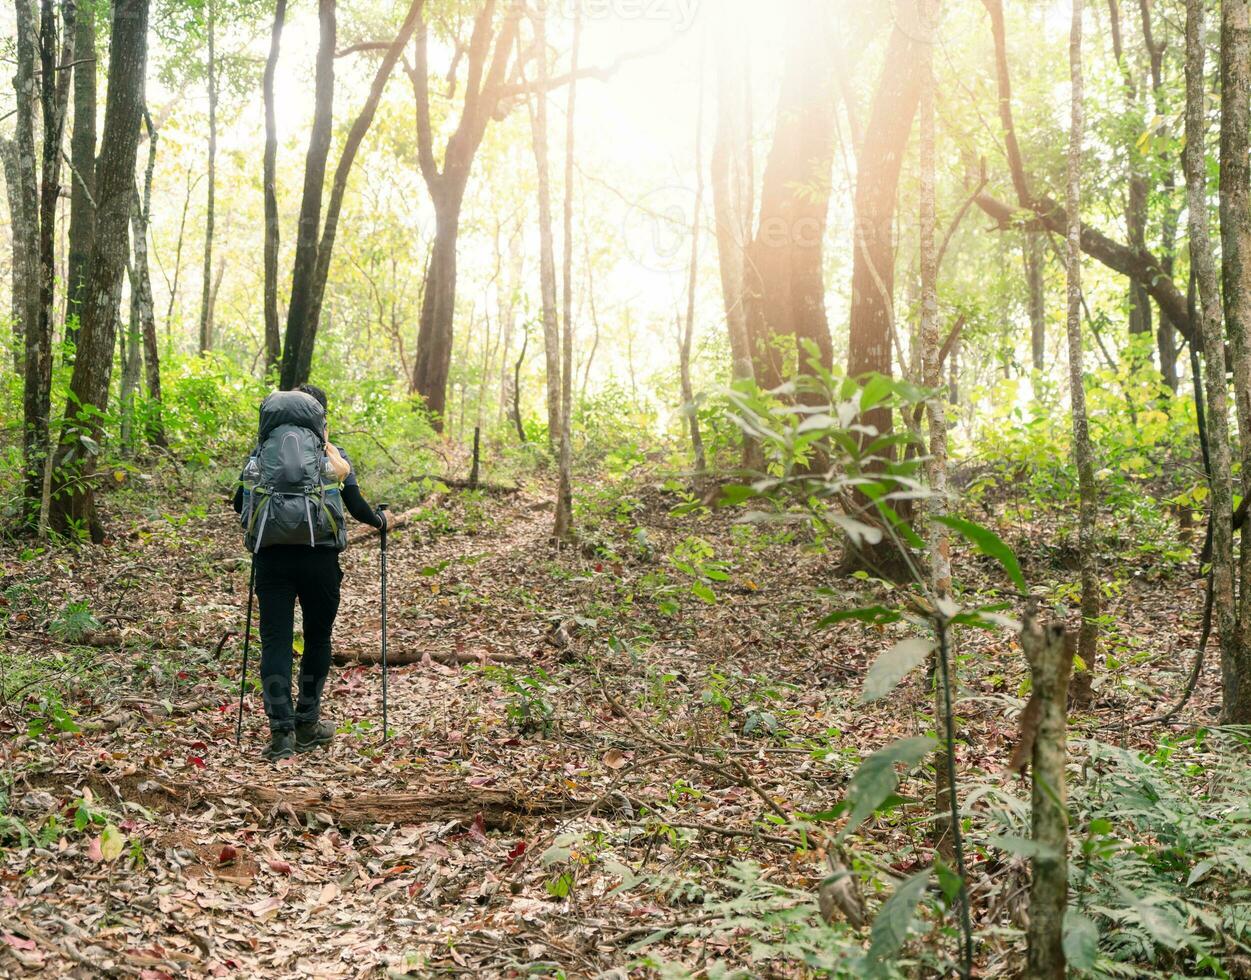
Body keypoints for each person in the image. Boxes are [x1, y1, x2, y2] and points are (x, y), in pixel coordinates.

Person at [232, 383, 387, 761]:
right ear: (321, 418)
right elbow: (355, 505)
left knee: (275, 642)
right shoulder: (332, 457)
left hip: (271, 560)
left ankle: (280, 733)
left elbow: (239, 502)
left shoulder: (261, 454)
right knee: (317, 640)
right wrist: (380, 521)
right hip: (320, 560)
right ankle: (308, 723)